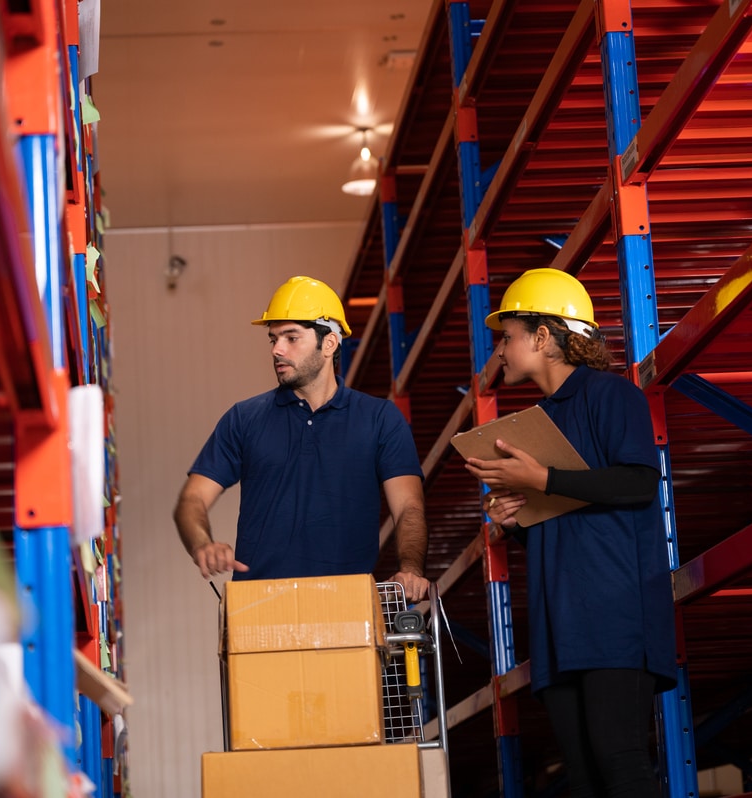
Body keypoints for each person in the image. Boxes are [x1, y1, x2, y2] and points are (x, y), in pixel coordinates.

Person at [463, 268, 677, 798]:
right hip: (562, 624)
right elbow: (564, 528)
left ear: (543, 336)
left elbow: (639, 485)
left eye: (508, 337)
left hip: (616, 617)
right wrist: (516, 521)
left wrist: (541, 479)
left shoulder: (612, 396)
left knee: (621, 762)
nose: (501, 351)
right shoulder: (534, 422)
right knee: (583, 778)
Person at [173, 275, 430, 602]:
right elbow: (191, 501)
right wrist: (202, 544)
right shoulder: (244, 419)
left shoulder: (380, 419)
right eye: (273, 339)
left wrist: (411, 569)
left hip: (348, 605)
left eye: (291, 337)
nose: (277, 350)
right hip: (258, 608)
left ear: (330, 344)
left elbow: (408, 505)